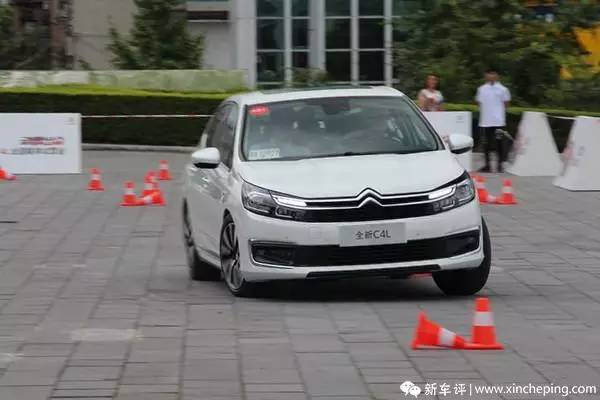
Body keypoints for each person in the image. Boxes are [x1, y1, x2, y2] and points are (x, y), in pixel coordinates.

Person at [476, 68, 511, 173]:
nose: (491, 76)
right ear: (486, 76)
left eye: (493, 74)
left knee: (499, 142)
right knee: (486, 143)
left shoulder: (503, 89)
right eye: (489, 74)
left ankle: (500, 165)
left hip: (498, 121)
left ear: (497, 75)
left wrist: (499, 113)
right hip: (486, 121)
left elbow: (506, 103)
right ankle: (487, 165)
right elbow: (479, 102)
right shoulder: (481, 89)